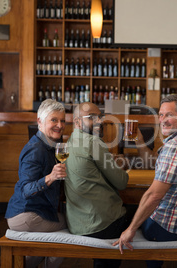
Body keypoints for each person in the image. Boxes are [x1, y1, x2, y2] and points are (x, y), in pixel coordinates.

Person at [113, 95, 177, 268]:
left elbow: (154, 195)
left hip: (172, 229)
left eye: (168, 115)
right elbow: (155, 164)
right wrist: (140, 141)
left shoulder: (175, 146)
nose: (162, 120)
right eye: (161, 115)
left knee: (127, 219)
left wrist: (131, 229)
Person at [65, 102, 129, 268]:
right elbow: (122, 182)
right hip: (100, 224)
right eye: (92, 118)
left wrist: (111, 163)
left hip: (77, 222)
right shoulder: (94, 143)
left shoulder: (70, 141)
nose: (99, 121)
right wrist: (120, 165)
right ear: (78, 122)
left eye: (100, 117)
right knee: (143, 214)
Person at [5, 99, 67, 268]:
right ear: (40, 121)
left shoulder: (50, 146)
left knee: (47, 244)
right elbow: (26, 190)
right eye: (54, 120)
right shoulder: (36, 149)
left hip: (33, 212)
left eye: (62, 120)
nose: (60, 125)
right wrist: (51, 177)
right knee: (71, 228)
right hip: (25, 214)